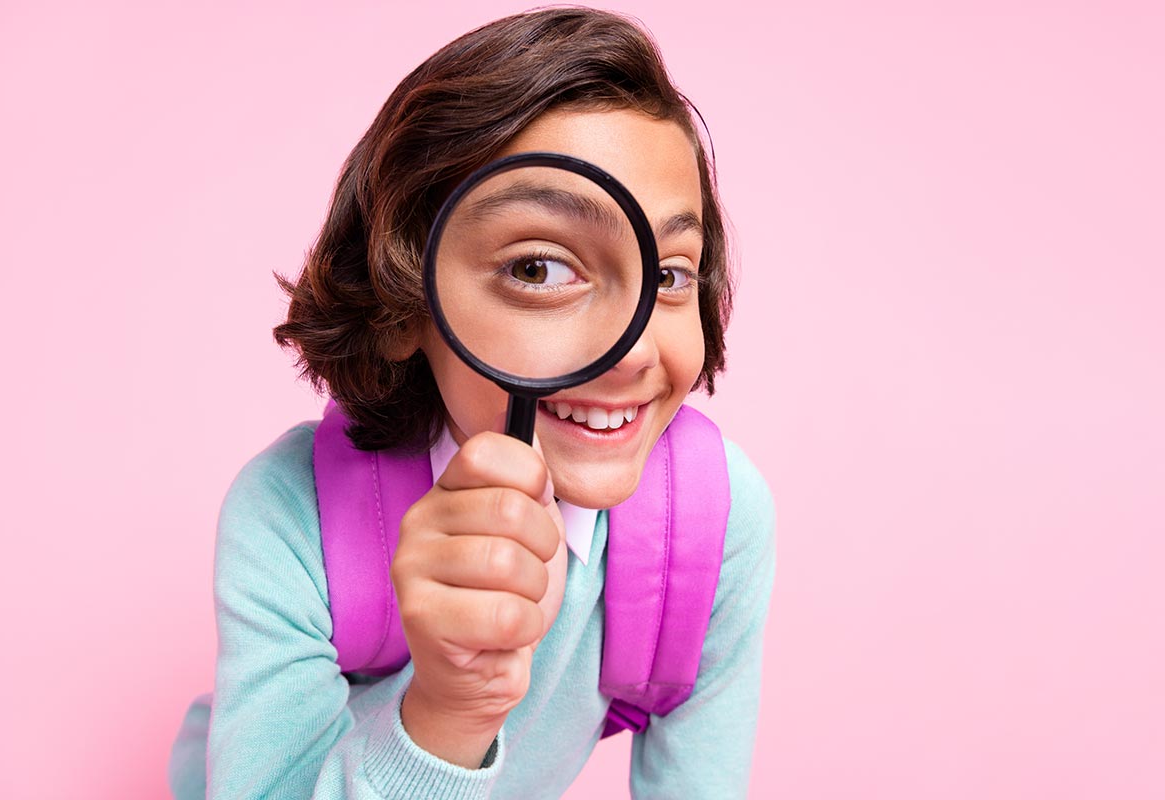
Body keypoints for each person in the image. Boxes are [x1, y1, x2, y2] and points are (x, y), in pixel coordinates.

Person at [168, 7, 777, 798]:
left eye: (667, 276)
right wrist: (449, 713)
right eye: (537, 268)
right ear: (403, 304)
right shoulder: (292, 516)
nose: (631, 353)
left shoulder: (709, 521)